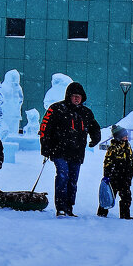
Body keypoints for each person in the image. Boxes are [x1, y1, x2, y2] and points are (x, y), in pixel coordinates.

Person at [39, 81, 101, 217]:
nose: (77, 98)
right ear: (69, 96)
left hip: (77, 153)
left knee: (73, 180)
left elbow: (94, 127)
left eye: (79, 96)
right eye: (74, 95)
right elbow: (44, 128)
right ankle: (60, 207)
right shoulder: (56, 109)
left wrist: (95, 138)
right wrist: (46, 147)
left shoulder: (86, 112)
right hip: (59, 151)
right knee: (63, 175)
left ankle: (69, 207)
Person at [98, 125, 133, 219]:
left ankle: (125, 215)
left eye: (127, 136)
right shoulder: (113, 148)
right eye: (124, 136)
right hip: (115, 177)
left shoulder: (127, 146)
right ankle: (102, 213)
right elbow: (107, 163)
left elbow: (131, 162)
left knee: (126, 197)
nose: (127, 137)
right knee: (109, 195)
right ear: (118, 137)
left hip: (126, 177)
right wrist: (106, 176)